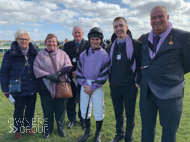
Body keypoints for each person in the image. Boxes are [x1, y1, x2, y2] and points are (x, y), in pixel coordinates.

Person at [140, 5, 190, 142]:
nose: (157, 20)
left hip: (171, 93)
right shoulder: (144, 38)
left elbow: (187, 64)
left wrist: (169, 74)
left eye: (160, 16)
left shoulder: (183, 37)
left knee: (169, 133)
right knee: (146, 130)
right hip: (147, 93)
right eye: (153, 18)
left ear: (167, 17)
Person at [106, 17, 141, 142]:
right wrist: (110, 80)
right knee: (118, 114)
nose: (119, 29)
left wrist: (137, 83)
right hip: (115, 86)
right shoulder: (110, 47)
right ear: (114, 29)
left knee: (130, 115)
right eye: (116, 27)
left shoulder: (136, 45)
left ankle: (128, 138)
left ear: (126, 27)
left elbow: (140, 66)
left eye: (121, 26)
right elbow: (109, 66)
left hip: (130, 87)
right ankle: (119, 135)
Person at [0, 29, 39, 140]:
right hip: (18, 88)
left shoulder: (33, 53)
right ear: (16, 40)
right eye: (21, 39)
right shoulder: (9, 54)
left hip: (32, 86)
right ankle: (18, 130)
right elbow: (3, 72)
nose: (24, 41)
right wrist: (5, 89)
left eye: (26, 39)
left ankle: (28, 126)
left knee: (30, 109)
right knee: (18, 110)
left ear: (29, 40)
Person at [33, 33, 72, 139]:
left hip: (61, 86)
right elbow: (36, 68)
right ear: (45, 43)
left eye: (53, 41)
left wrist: (58, 74)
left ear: (57, 43)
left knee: (60, 110)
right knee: (47, 111)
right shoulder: (40, 55)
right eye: (49, 41)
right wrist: (49, 76)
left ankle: (61, 128)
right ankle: (47, 129)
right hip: (45, 87)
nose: (51, 43)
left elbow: (68, 65)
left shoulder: (63, 54)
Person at [76, 27, 110, 142]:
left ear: (101, 40)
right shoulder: (83, 54)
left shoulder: (105, 55)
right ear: (89, 40)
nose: (95, 41)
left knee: (98, 110)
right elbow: (79, 71)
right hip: (85, 85)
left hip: (97, 86)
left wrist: (93, 87)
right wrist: (85, 85)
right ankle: (88, 131)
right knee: (84, 109)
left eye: (97, 39)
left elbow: (104, 74)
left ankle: (98, 133)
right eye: (92, 39)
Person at [64, 26, 88, 129]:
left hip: (84, 77)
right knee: (71, 99)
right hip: (70, 77)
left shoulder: (88, 44)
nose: (77, 34)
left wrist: (80, 73)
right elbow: (65, 60)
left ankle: (83, 119)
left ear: (82, 33)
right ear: (72, 34)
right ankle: (72, 119)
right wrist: (71, 73)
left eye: (79, 32)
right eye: (75, 33)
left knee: (83, 99)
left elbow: (90, 61)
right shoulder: (67, 45)